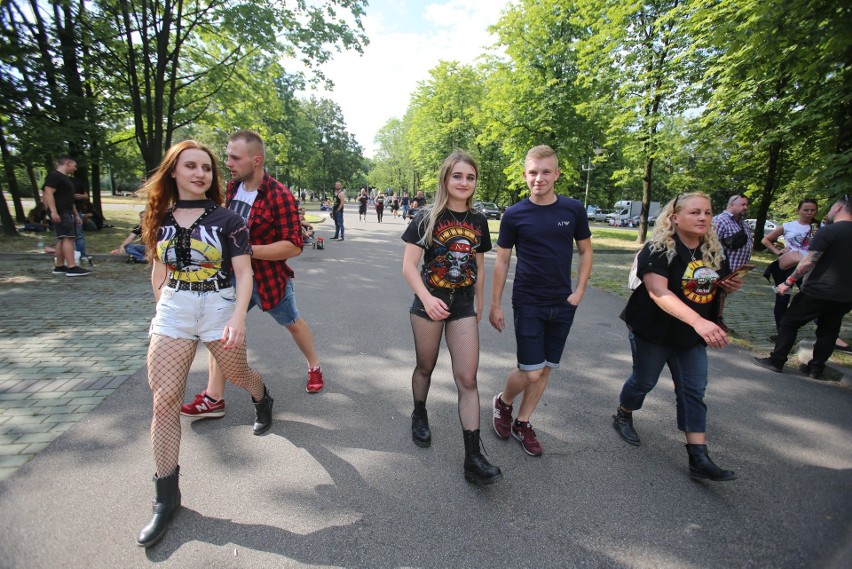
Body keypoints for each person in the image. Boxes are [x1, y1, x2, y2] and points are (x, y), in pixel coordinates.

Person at [136, 140, 273, 548]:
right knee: (163, 401)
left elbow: (244, 274)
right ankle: (166, 497)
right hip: (175, 310)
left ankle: (262, 397)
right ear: (173, 171)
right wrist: (163, 309)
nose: (200, 173)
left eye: (207, 168)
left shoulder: (229, 220)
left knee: (236, 373)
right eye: (190, 166)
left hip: (218, 307)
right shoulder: (157, 218)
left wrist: (236, 318)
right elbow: (159, 268)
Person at [180, 129, 323, 424]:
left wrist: (244, 249)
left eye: (234, 157)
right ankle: (213, 398)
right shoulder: (232, 189)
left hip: (269, 281)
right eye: (227, 156)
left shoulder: (279, 195)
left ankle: (314, 366)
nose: (228, 162)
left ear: (256, 160)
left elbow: (294, 245)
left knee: (293, 324)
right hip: (231, 279)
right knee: (222, 334)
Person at [612, 192, 743, 482]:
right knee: (644, 380)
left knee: (693, 390)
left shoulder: (712, 250)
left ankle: (698, 457)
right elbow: (659, 292)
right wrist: (700, 322)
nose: (703, 218)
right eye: (695, 212)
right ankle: (623, 412)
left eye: (707, 213)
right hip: (653, 330)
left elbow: (711, 286)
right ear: (675, 217)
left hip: (689, 335)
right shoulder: (658, 249)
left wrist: (728, 286)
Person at [401, 149, 501, 486]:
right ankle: (419, 412)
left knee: (468, 379)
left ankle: (473, 457)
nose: (464, 182)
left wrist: (480, 306)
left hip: (462, 307)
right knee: (425, 367)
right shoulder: (427, 218)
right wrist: (427, 299)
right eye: (457, 176)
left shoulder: (479, 222)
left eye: (470, 177)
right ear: (446, 179)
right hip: (430, 303)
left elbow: (481, 267)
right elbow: (408, 267)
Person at [489, 145, 593, 457]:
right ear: (525, 175)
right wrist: (495, 304)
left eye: (546, 171)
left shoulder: (573, 210)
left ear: (557, 174)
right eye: (533, 172)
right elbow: (503, 261)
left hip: (562, 303)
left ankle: (523, 421)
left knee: (545, 369)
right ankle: (503, 402)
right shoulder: (515, 214)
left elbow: (586, 251)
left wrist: (580, 290)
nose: (539, 178)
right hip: (529, 301)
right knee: (531, 370)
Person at [754, 195, 852, 380]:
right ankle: (816, 369)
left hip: (818, 289)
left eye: (831, 207)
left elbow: (809, 260)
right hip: (845, 295)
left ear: (839, 208)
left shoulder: (828, 231)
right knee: (829, 330)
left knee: (790, 321)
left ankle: (777, 360)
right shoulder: (825, 229)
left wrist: (788, 281)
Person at [761, 199, 818, 334]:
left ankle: (824, 329)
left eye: (813, 210)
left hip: (807, 268)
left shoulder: (817, 226)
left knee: (811, 298)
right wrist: (777, 251)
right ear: (798, 210)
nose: (809, 213)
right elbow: (766, 239)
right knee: (782, 298)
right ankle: (781, 332)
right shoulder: (788, 226)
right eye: (805, 210)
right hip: (786, 267)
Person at [41, 156, 91, 277]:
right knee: (69, 238)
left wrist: (76, 215)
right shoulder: (54, 176)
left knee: (62, 238)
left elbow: (69, 199)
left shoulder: (65, 179)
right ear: (67, 164)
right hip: (61, 212)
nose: (75, 168)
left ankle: (59, 266)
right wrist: (53, 211)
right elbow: (47, 193)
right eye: (74, 165)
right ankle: (72, 267)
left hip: (67, 211)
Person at [712, 194, 752, 331]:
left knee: (723, 293)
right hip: (721, 266)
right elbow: (710, 243)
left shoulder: (743, 223)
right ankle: (715, 320)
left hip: (738, 267)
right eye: (743, 204)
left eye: (746, 205)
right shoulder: (720, 220)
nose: (745, 208)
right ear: (731, 205)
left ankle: (718, 318)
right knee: (717, 292)